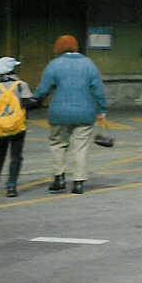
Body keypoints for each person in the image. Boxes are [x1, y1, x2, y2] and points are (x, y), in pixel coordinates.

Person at [32, 35, 107, 195]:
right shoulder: (89, 64)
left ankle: (59, 179)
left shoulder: (54, 65)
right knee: (80, 147)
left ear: (58, 47)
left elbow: (43, 89)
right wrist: (101, 110)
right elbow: (98, 90)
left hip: (59, 113)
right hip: (85, 112)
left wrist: (34, 100)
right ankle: (78, 183)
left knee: (58, 144)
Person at [0, 57, 36, 197]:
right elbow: (28, 103)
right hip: (18, 126)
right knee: (16, 156)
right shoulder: (21, 85)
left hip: (1, 128)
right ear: (13, 69)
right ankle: (11, 186)